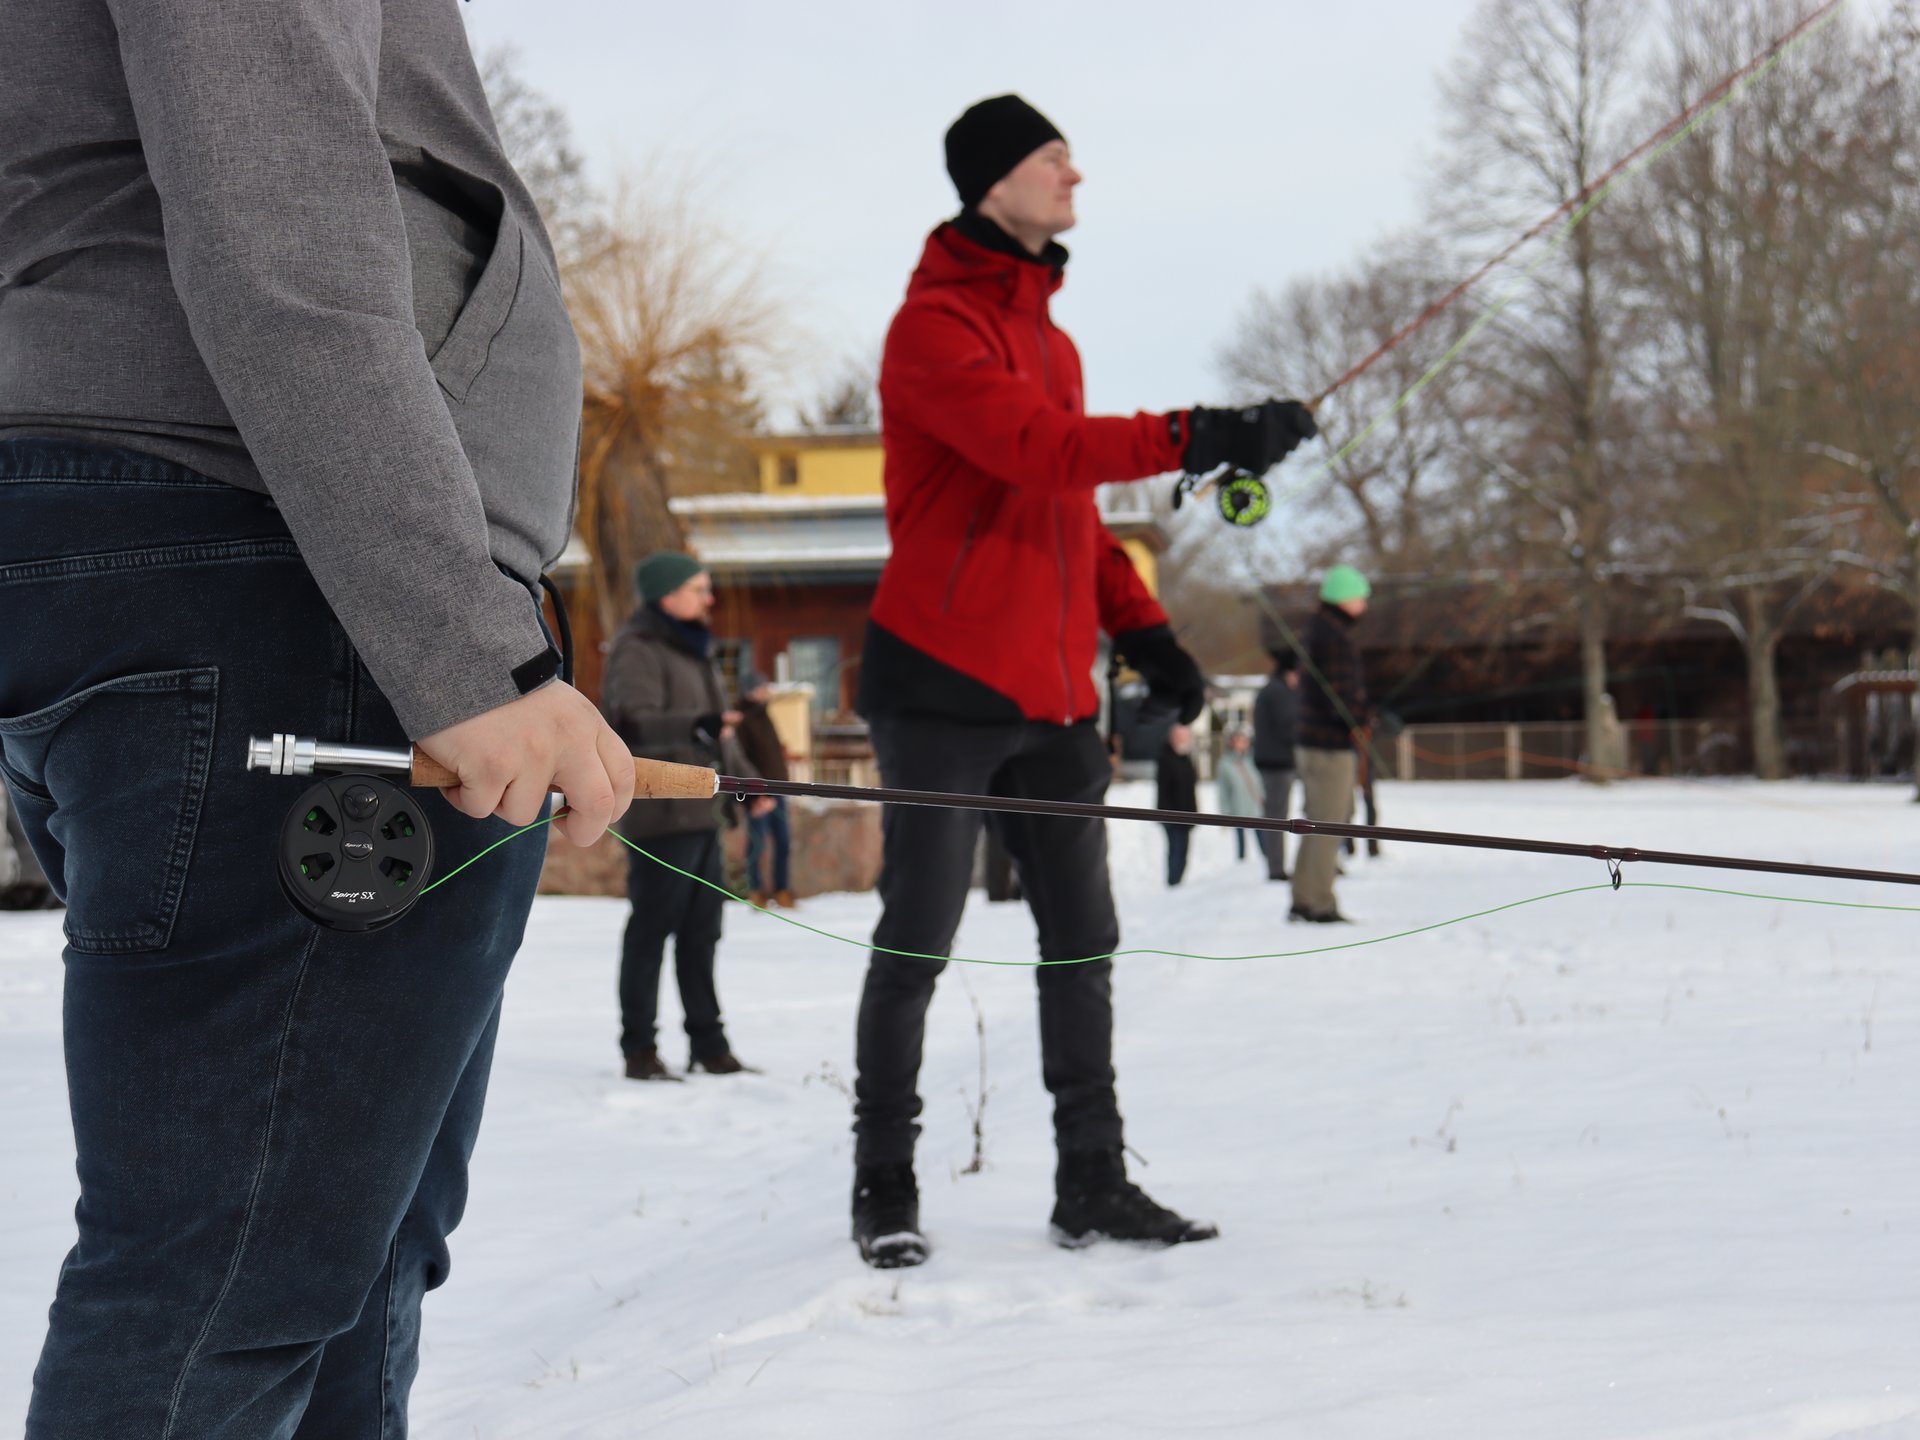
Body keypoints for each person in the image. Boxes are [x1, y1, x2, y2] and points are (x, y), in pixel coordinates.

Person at [0, 5, 638, 1432]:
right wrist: (465, 652)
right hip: (288, 567)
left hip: (259, 559)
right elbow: (272, 206)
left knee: (335, 1265)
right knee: (228, 1281)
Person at [848, 92, 1318, 1268]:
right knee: (918, 939)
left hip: (1057, 700)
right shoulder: (931, 331)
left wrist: (1146, 631)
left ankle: (1093, 1184)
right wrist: (1196, 432)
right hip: (941, 688)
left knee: (1083, 946)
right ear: (993, 179)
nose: (1076, 176)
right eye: (1056, 158)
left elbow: (1069, 507)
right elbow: (1032, 449)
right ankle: (884, 1186)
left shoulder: (1054, 339)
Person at [601, 553, 770, 1081]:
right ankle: (639, 1049)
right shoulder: (638, 648)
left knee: (703, 933)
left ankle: (709, 1044)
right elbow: (633, 724)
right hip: (660, 817)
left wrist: (747, 785)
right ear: (667, 595)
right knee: (651, 932)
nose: (709, 597)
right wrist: (699, 723)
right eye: (699, 588)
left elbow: (717, 732)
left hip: (701, 816)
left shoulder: (696, 649)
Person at [1292, 566, 1371, 924]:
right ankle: (1319, 903)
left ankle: (1303, 896)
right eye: (1359, 598)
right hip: (1329, 746)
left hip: (1311, 743)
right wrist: (1364, 719)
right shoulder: (1335, 636)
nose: (1363, 607)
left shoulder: (1317, 630)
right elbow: (1340, 695)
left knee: (1314, 823)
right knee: (1330, 824)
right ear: (1343, 598)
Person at [734, 671, 795, 907]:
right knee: (757, 841)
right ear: (752, 691)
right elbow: (742, 758)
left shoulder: (765, 715)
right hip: (758, 789)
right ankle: (756, 891)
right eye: (763, 687)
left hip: (778, 787)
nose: (768, 692)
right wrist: (754, 787)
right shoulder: (743, 720)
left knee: (783, 840)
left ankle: (782, 889)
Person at [1252, 650, 1301, 880]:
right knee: (1277, 817)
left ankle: (1275, 865)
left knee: (1275, 815)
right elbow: (1290, 727)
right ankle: (1276, 868)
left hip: (1271, 761)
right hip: (1278, 763)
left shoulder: (1271, 690)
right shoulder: (1279, 693)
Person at [1156, 723, 1200, 885]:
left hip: (1187, 814)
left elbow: (1191, 788)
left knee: (1183, 851)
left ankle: (1178, 882)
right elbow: (1164, 789)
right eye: (1180, 737)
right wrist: (1167, 815)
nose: (1183, 741)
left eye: (1185, 737)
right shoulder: (1166, 757)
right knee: (1175, 850)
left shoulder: (1186, 758)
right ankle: (1173, 883)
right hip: (1172, 816)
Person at [1214, 728, 1265, 862]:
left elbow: (1259, 782)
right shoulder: (1225, 764)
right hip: (1238, 809)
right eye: (1239, 740)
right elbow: (1223, 791)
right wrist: (1225, 813)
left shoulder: (1252, 759)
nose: (1242, 743)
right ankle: (1240, 867)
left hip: (1255, 807)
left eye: (1244, 740)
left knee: (1263, 841)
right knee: (1241, 844)